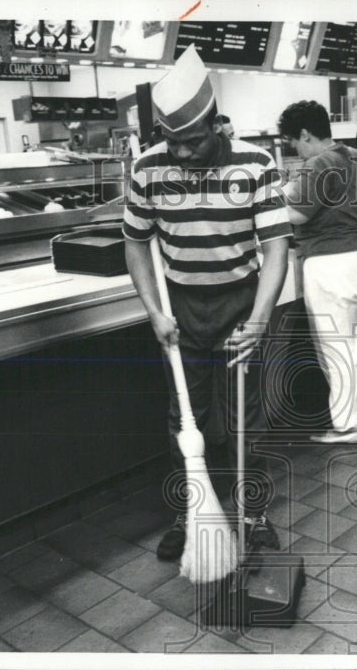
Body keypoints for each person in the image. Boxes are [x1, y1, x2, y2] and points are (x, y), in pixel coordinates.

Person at [122, 46, 291, 560]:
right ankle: (189, 514)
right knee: (183, 420)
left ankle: (253, 513)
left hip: (241, 301)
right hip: (183, 306)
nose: (183, 154)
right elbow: (135, 240)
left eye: (193, 141)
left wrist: (260, 319)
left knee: (247, 419)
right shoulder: (148, 167)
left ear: (217, 125)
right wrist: (154, 311)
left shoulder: (256, 163)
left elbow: (276, 245)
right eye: (172, 142)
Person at [278, 100, 357, 444]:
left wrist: (270, 199)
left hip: (334, 264)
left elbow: (298, 214)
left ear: (306, 134)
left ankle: (345, 425)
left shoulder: (316, 163)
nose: (294, 149)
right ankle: (353, 414)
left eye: (293, 141)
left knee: (336, 347)